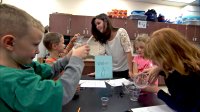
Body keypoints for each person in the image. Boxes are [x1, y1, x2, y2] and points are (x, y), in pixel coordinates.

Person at [0, 4, 90, 112]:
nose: (38, 51)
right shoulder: (8, 79)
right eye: (34, 45)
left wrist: (67, 58)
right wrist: (76, 59)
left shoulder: (24, 65)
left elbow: (49, 70)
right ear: (9, 42)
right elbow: (61, 93)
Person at [143, 28, 200, 112]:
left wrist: (157, 91)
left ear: (167, 54)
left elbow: (183, 107)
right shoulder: (182, 63)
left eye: (155, 59)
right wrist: (159, 69)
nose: (153, 63)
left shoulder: (190, 75)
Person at [91, 13, 133, 79]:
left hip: (124, 71)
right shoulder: (102, 39)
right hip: (109, 71)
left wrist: (130, 71)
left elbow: (128, 52)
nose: (97, 27)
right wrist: (98, 72)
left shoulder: (121, 32)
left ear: (106, 22)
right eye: (95, 25)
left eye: (98, 23)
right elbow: (101, 56)